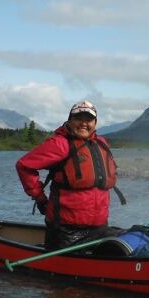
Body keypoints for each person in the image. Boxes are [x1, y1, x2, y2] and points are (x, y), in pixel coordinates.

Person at [16, 100, 122, 249]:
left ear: (95, 123)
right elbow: (24, 165)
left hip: (99, 226)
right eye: (78, 118)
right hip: (66, 230)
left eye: (89, 119)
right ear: (70, 120)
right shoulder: (59, 144)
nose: (84, 123)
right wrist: (40, 198)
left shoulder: (102, 143)